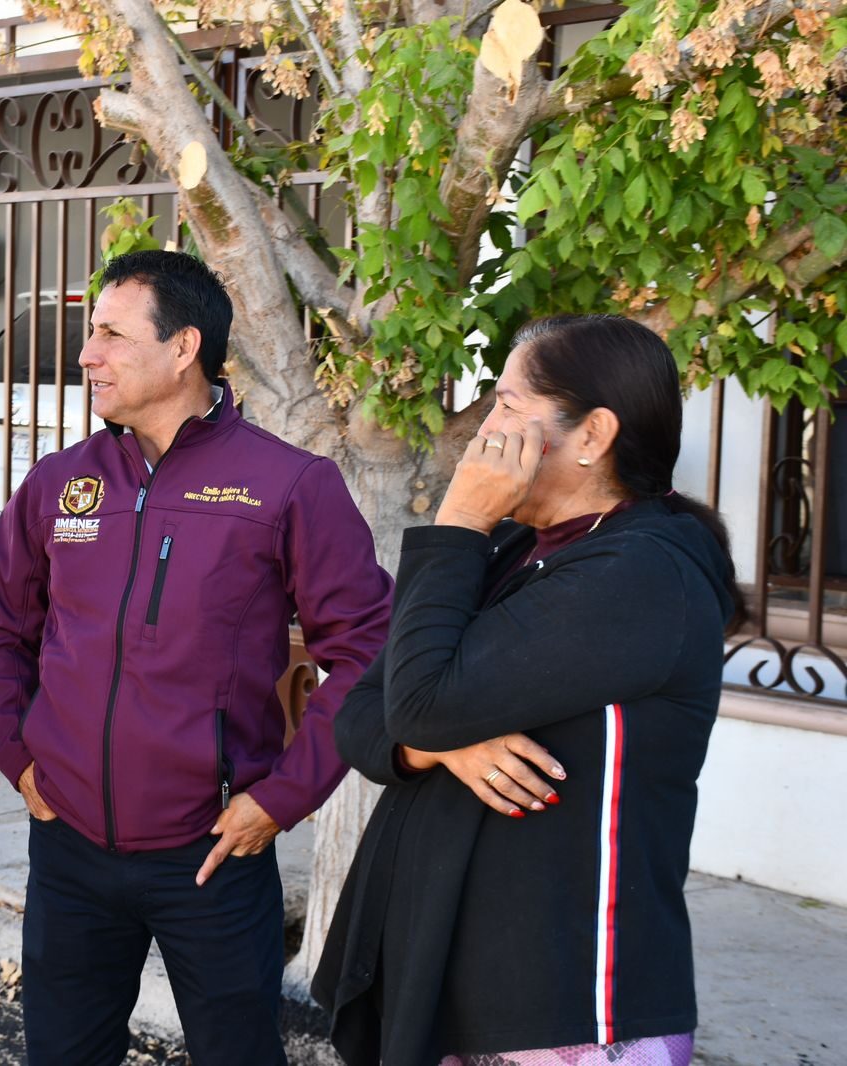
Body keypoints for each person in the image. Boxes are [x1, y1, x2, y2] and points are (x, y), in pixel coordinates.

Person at [0, 250, 393, 1065]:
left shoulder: (288, 486)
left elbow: (365, 652)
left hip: (213, 854)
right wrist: (18, 756)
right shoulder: (60, 483)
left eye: (111, 334)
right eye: (91, 333)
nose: (87, 354)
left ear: (183, 347)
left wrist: (283, 798)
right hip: (68, 850)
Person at [312, 314, 745, 1066]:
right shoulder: (514, 544)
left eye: (508, 406)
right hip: (452, 974)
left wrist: (459, 517)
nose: (486, 430)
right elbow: (361, 712)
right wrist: (438, 746)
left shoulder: (641, 573)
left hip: (564, 1006)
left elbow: (413, 703)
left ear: (593, 434)